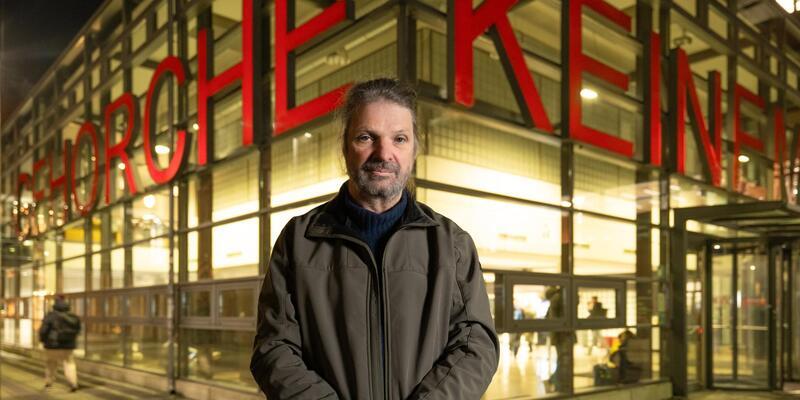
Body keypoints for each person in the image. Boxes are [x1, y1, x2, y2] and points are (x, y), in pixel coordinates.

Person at [251, 78, 499, 399]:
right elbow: (274, 348)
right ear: (345, 147)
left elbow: (475, 344)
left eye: (399, 139)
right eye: (366, 137)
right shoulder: (300, 240)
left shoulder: (451, 244)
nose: (384, 153)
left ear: (414, 150)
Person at [39, 296, 81, 391]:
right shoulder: (73, 317)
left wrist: (42, 340)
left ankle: (48, 383)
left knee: (51, 364)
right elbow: (78, 330)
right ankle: (73, 384)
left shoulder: (50, 316)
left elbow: (43, 331)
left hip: (52, 345)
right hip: (68, 346)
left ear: (54, 307)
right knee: (69, 363)